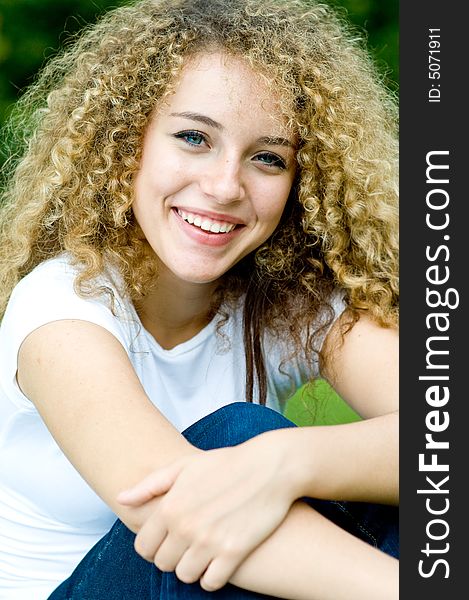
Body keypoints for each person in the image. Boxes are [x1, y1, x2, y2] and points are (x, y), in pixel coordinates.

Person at [0, 0, 399, 598]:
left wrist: (287, 463)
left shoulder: (289, 303)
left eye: (268, 158)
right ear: (128, 141)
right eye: (194, 138)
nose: (225, 186)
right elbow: (174, 510)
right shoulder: (60, 305)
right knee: (237, 436)